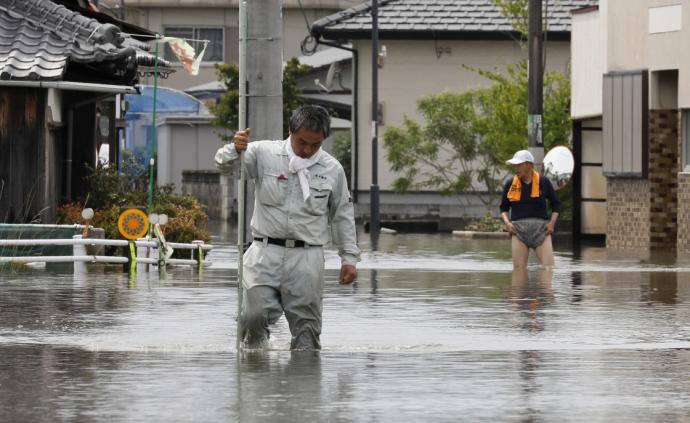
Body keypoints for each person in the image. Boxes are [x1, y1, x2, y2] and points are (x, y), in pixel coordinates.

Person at [214, 105, 360, 350]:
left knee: (307, 333)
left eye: (315, 145)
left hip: (307, 257)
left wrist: (349, 259)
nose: (306, 150)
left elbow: (342, 215)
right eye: (301, 142)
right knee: (252, 318)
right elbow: (225, 166)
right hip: (264, 251)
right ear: (290, 131)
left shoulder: (332, 169)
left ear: (323, 139)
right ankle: (256, 377)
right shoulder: (262, 153)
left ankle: (302, 384)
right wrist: (235, 148)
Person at [500, 149, 561, 269]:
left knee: (549, 269)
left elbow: (556, 204)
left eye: (519, 165)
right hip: (519, 232)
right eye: (514, 165)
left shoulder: (543, 181)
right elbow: (503, 208)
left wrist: (552, 224)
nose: (516, 168)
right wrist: (507, 223)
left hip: (541, 231)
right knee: (519, 271)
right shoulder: (510, 183)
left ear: (529, 165)